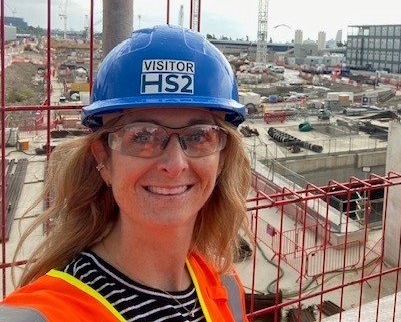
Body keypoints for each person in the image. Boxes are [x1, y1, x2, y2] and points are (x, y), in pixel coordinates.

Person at [1, 25, 251, 321]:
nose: (175, 164)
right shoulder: (45, 314)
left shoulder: (224, 284)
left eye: (199, 136)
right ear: (103, 158)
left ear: (221, 158)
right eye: (143, 136)